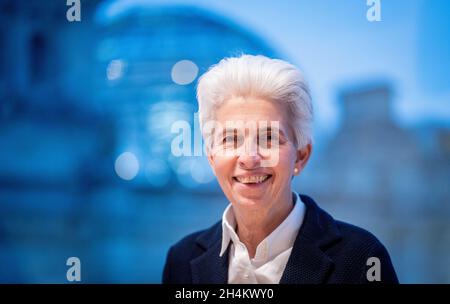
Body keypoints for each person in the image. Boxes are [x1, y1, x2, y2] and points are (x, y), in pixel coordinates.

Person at [162, 55, 398, 284]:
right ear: (212, 158)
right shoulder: (181, 259)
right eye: (231, 139)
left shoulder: (362, 259)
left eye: (269, 138)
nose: (249, 157)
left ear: (301, 156)